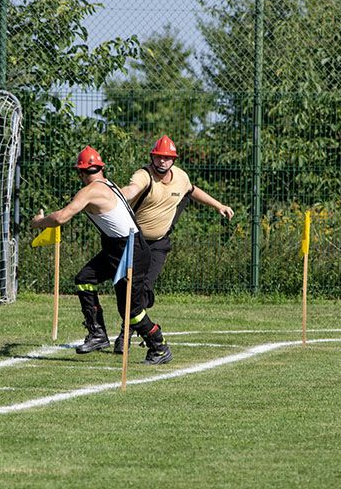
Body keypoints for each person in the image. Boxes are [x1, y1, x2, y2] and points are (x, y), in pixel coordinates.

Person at [29, 145, 172, 365]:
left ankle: (159, 347)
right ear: (100, 169)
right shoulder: (108, 184)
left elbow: (60, 218)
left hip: (131, 250)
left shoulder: (90, 191)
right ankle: (97, 333)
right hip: (118, 248)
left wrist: (39, 222)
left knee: (131, 311)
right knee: (85, 279)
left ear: (81, 172)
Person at [115, 135, 234, 353]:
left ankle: (129, 328)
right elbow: (132, 189)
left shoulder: (181, 177)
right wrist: (116, 195)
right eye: (158, 157)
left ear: (174, 160)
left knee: (144, 288)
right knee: (129, 287)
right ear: (152, 157)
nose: (162, 161)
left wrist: (219, 205)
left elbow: (192, 190)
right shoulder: (143, 175)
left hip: (159, 243)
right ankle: (130, 328)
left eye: (167, 158)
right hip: (135, 242)